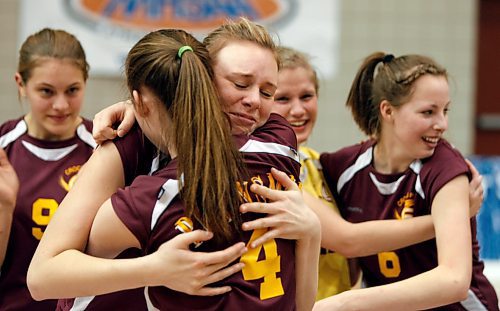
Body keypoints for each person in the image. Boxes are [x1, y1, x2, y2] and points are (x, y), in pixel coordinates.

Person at [28, 20, 320, 311]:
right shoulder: (131, 146)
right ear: (200, 79)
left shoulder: (275, 143)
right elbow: (44, 276)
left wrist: (311, 231)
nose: (254, 101)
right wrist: (154, 268)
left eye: (269, 92)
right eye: (240, 84)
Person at [313, 52, 499, 310]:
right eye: (428, 112)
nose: (442, 124)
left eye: (445, 111)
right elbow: (345, 239)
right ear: (388, 110)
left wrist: (347, 302)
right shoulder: (342, 168)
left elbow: (454, 280)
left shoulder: (445, 168)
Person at [0, 28, 95, 310]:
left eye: (72, 90)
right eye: (46, 91)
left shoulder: (107, 150)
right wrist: (4, 207)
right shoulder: (4, 150)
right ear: (21, 84)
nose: (61, 105)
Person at [270, 46, 352, 298]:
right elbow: (348, 240)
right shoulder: (268, 172)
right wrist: (442, 222)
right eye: (283, 99)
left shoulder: (320, 164)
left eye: (306, 96)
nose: (298, 110)